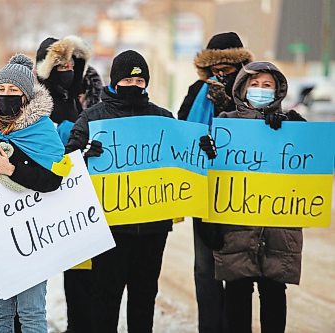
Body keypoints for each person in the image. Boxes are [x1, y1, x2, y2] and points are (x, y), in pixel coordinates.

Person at [0, 54, 70, 332]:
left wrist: (11, 168)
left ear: (26, 96)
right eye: (2, 89)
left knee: (31, 313)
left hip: (31, 237)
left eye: (14, 91)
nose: (6, 95)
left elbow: (53, 179)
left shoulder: (42, 129)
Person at [66, 50, 174, 333]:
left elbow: (180, 158)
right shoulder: (92, 118)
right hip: (108, 228)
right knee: (104, 300)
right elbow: (67, 164)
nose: (134, 86)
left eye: (140, 81)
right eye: (127, 79)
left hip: (152, 228)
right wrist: (83, 153)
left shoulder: (163, 118)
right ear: (114, 81)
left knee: (144, 298)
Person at [199, 61, 306, 333]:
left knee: (273, 293)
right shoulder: (225, 123)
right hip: (236, 226)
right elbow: (209, 172)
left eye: (267, 85)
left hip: (277, 228)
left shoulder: (290, 124)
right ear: (243, 89)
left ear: (278, 91)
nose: (260, 90)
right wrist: (207, 150)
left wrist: (294, 128)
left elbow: (309, 163)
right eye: (255, 84)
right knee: (236, 293)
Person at [177, 32, 253, 333]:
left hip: (242, 193)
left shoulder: (252, 90)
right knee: (205, 269)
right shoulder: (197, 90)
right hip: (204, 190)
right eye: (215, 68)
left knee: (239, 269)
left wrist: (227, 109)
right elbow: (182, 128)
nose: (221, 74)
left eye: (228, 68)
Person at [35, 35, 94, 333]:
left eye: (72, 63)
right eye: (60, 64)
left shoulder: (79, 96)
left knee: (79, 268)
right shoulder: (35, 99)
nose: (68, 69)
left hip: (74, 193)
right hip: (39, 191)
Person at [35, 35, 91, 145]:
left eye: (72, 67)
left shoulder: (74, 100)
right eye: (64, 67)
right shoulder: (38, 106)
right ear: (50, 72)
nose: (70, 72)